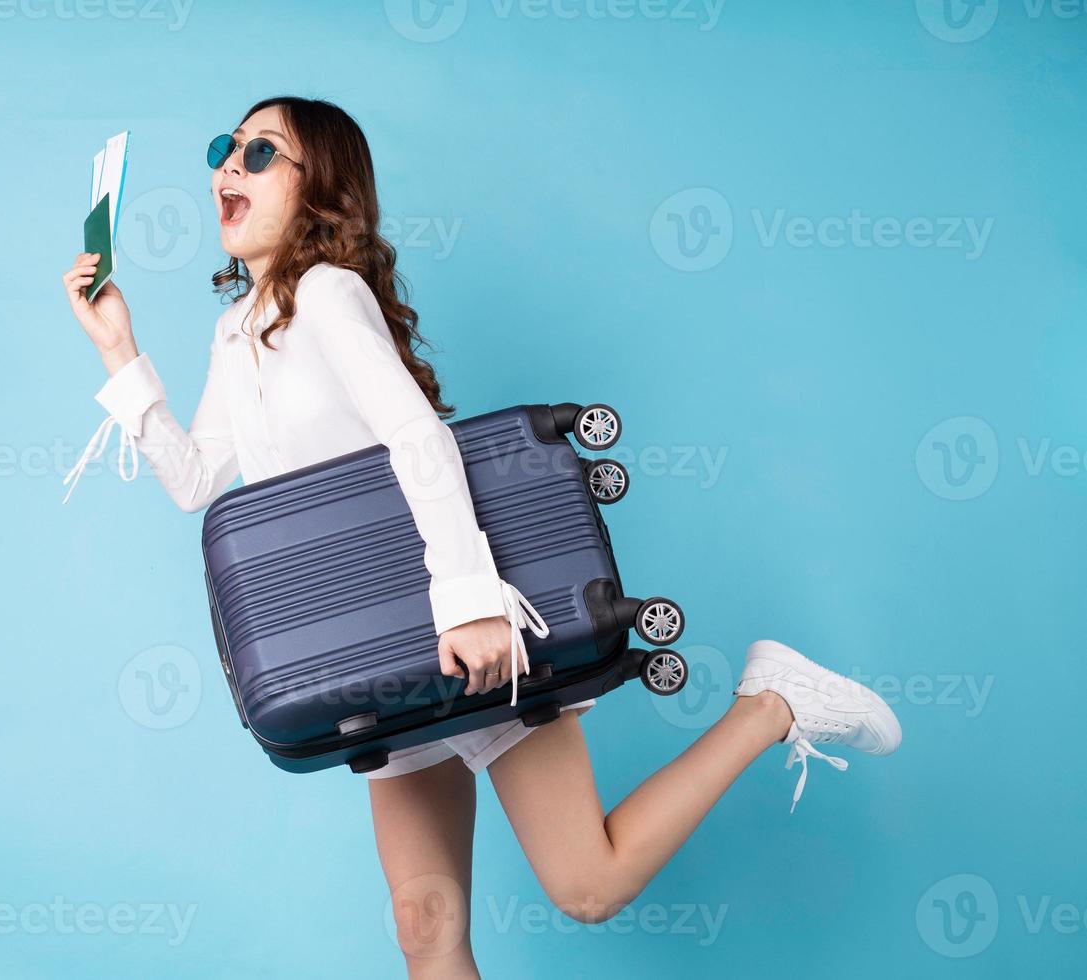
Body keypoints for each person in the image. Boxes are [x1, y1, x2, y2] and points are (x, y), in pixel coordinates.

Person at [60, 96, 901, 979]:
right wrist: (119, 352)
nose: (227, 167)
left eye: (259, 154)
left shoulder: (328, 293)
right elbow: (197, 481)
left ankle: (770, 702)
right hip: (370, 656)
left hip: (459, 626)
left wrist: (466, 604)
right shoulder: (236, 332)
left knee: (586, 884)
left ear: (320, 190)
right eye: (223, 150)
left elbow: (418, 438)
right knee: (425, 923)